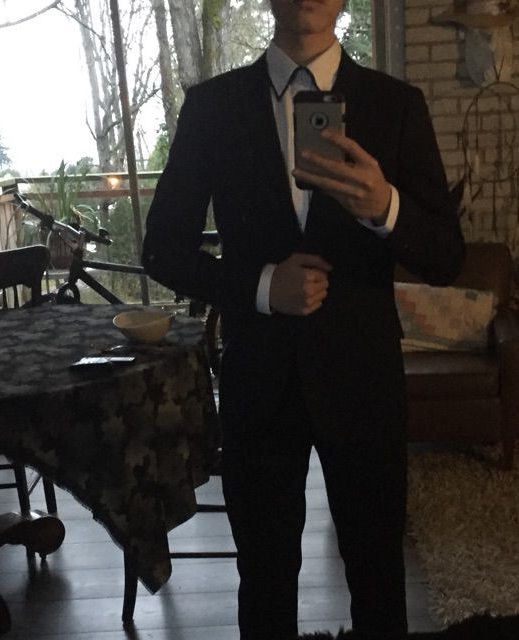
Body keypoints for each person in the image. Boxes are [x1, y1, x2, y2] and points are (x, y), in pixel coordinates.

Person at [142, 1, 465, 638]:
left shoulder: (395, 105)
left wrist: (385, 207)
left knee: (377, 572)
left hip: (364, 378)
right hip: (259, 379)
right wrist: (264, 286)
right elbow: (162, 250)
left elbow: (447, 259)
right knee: (265, 576)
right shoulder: (213, 107)